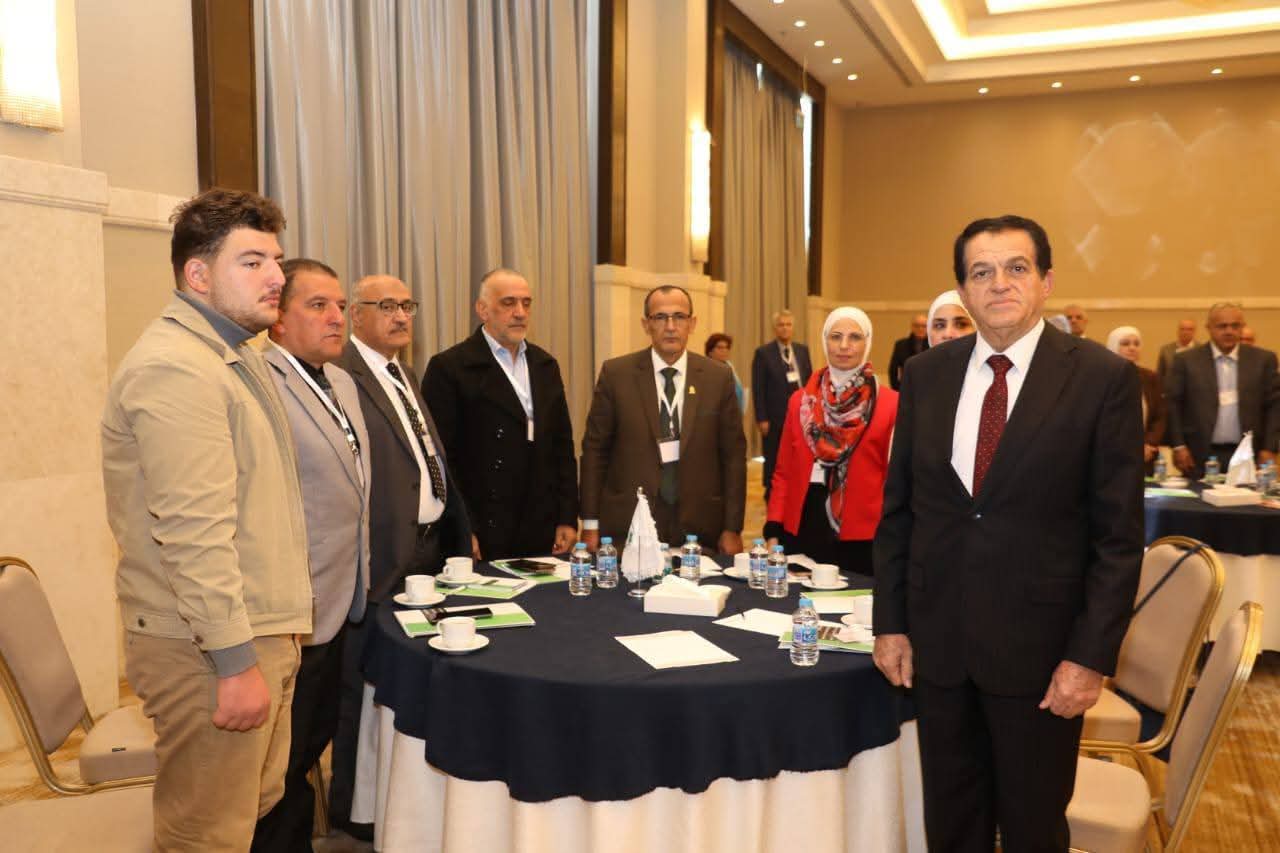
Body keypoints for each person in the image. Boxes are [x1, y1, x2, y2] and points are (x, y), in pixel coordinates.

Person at [873, 215, 1144, 851]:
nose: (999, 283)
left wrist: (1089, 658)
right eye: (982, 272)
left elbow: (1117, 539)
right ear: (963, 291)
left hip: (1043, 661)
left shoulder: (1101, 379)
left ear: (1046, 282)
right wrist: (892, 622)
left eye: (1016, 268)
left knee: (1032, 830)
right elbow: (901, 512)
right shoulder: (925, 375)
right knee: (951, 826)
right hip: (940, 652)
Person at [102, 189, 311, 849]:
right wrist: (233, 662)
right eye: (252, 262)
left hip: (252, 632)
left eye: (276, 260)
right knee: (205, 835)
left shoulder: (235, 353)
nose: (276, 276)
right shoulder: (177, 368)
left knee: (245, 812)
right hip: (206, 648)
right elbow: (195, 534)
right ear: (197, 275)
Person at [330, 274, 471, 837]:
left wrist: (458, 529)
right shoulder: (341, 373)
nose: (401, 316)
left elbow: (430, 457)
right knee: (360, 687)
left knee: (411, 683)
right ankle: (351, 810)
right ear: (356, 315)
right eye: (386, 306)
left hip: (428, 549)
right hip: (381, 554)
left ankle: (401, 801)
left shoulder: (404, 373)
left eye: (407, 305)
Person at [253, 259, 371, 851]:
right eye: (318, 305)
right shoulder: (261, 383)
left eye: (341, 306)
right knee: (283, 763)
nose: (336, 318)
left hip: (343, 596)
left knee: (313, 741)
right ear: (278, 318)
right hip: (293, 607)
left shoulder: (342, 382)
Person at [422, 268, 578, 559]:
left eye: (526, 303)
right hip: (484, 527)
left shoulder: (545, 365)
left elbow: (562, 447)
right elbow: (442, 460)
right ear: (483, 310)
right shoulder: (450, 368)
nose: (520, 313)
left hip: (540, 525)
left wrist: (567, 516)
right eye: (508, 303)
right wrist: (462, 527)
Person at [581, 285, 747, 554]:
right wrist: (590, 523)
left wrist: (732, 527)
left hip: (700, 528)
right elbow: (594, 451)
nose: (671, 327)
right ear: (646, 324)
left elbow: (733, 456)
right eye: (660, 317)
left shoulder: (718, 378)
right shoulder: (616, 374)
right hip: (629, 526)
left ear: (692, 323)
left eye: (679, 317)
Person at [763, 307, 898, 576]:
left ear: (868, 342)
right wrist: (774, 526)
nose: (844, 346)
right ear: (825, 341)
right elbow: (783, 472)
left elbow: (894, 479)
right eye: (836, 336)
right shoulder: (800, 402)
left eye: (855, 337)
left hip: (862, 532)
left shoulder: (890, 403)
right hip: (803, 522)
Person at [1165, 302, 1279, 479]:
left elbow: (1274, 406)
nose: (1229, 331)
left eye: (1235, 326)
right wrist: (1178, 445)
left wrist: (1269, 448)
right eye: (1222, 326)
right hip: (1198, 454)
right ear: (1209, 328)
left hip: (1249, 454)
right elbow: (1173, 405)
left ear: (1242, 327)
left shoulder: (1263, 360)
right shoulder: (1186, 361)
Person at [752, 309, 813, 499]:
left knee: (798, 456)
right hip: (775, 417)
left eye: (788, 324)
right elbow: (758, 387)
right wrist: (761, 418)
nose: (785, 328)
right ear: (774, 328)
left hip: (800, 416)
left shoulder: (802, 351)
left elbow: (810, 382)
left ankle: (796, 491)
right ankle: (772, 494)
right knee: (774, 457)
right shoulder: (763, 353)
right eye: (781, 325)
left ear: (793, 328)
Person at [1106, 326, 1167, 474]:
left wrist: (1149, 444)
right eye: (1125, 344)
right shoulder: (1103, 378)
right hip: (1110, 454)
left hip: (1145, 455)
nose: (1132, 348)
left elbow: (1160, 416)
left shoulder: (1150, 377)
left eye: (1136, 344)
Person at [705, 332, 747, 413]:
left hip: (733, 412)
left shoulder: (730, 367)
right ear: (710, 351)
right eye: (720, 348)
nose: (724, 350)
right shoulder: (705, 368)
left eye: (727, 347)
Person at [888, 313, 928, 390]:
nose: (920, 329)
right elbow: (893, 370)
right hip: (907, 387)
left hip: (928, 387)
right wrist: (897, 389)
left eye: (924, 326)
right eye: (917, 326)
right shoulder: (901, 345)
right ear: (912, 327)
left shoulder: (934, 345)